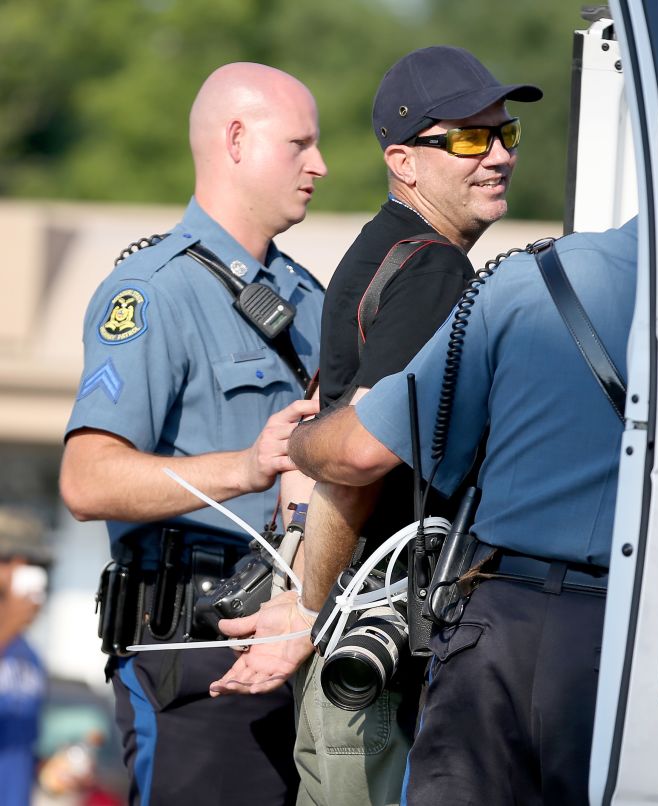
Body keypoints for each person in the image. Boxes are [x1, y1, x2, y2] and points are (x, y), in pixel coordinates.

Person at [209, 46, 542, 806]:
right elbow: (360, 457)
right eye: (466, 139)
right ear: (404, 160)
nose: (496, 156)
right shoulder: (432, 273)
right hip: (377, 635)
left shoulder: (384, 249)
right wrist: (309, 606)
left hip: (360, 621)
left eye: (506, 134)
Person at [288, 217, 638, 804]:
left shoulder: (532, 277)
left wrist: (301, 440)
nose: (499, 156)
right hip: (634, 635)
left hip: (499, 629)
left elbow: (357, 453)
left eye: (507, 136)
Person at [58, 62, 326, 805]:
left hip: (296, 647)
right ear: (236, 141)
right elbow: (87, 480)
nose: (321, 165)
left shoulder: (311, 300)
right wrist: (246, 466)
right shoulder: (152, 291)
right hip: (194, 660)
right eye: (300, 144)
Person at [0, 509, 51, 806]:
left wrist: (52, 775)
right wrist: (7, 627)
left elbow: (21, 750)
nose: (20, 568)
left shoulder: (28, 655)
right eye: (7, 559)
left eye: (30, 562)